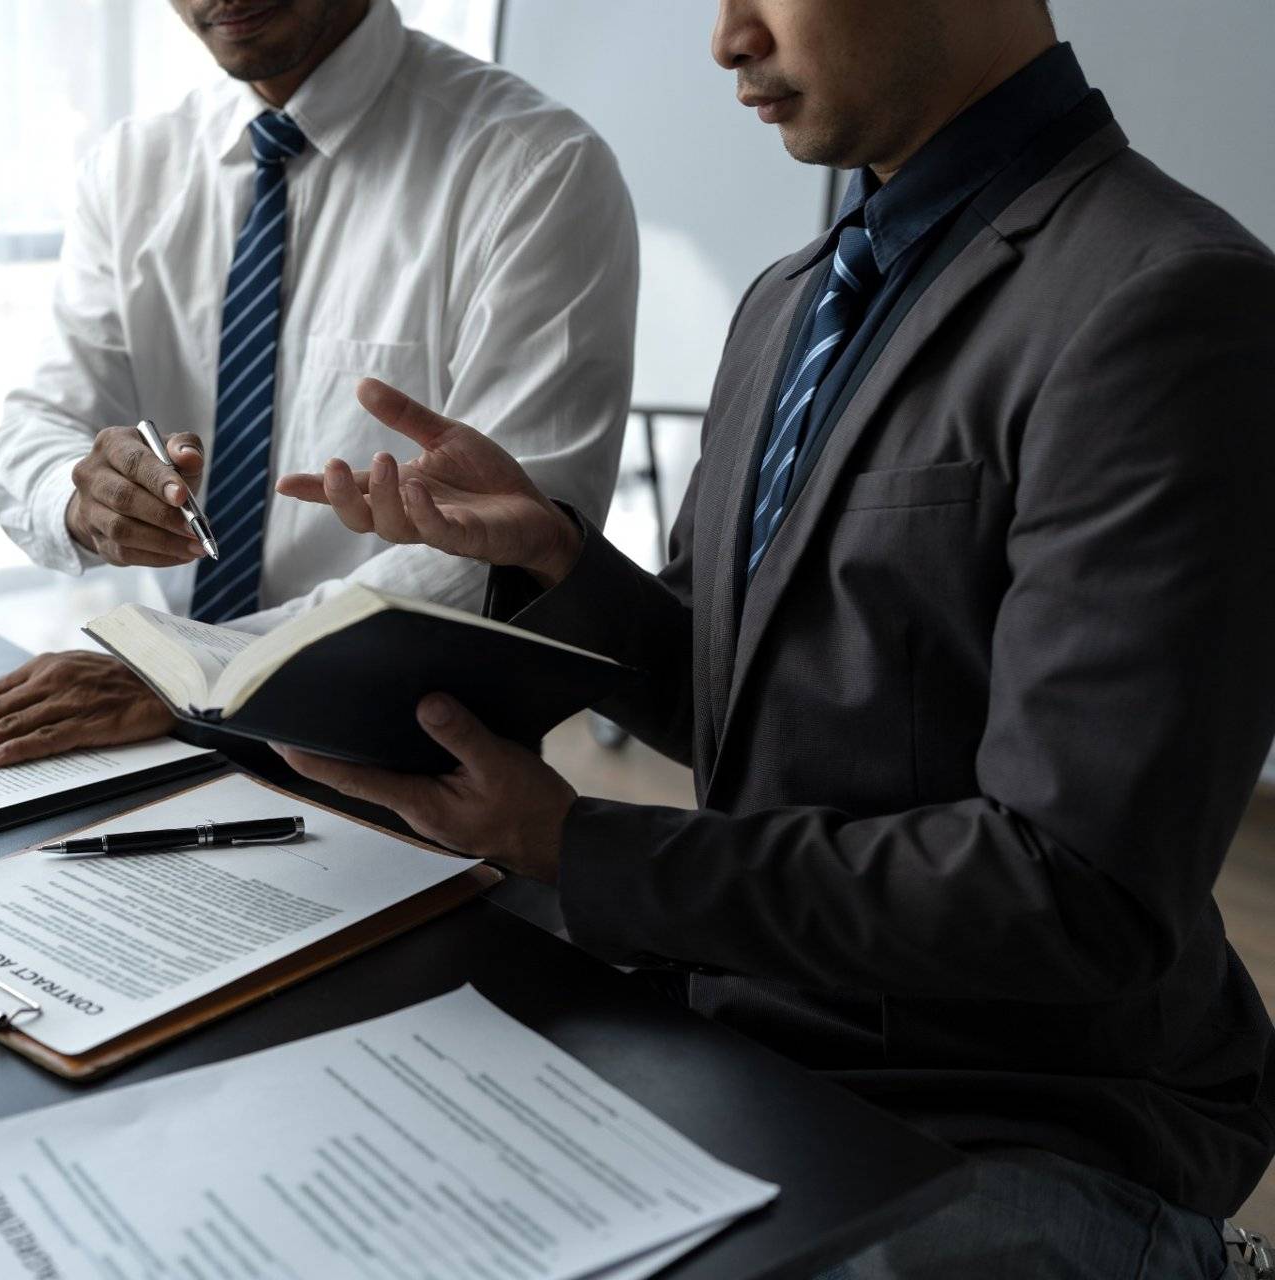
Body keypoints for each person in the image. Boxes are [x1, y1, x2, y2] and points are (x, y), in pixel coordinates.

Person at [271, 0, 1275, 1275]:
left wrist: (580, 846)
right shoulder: (793, 299)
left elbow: (1075, 894)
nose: (727, 39)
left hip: (1013, 1109)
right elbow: (737, 693)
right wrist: (555, 557)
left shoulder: (1170, 299)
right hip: (743, 1018)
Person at [0, 0, 636, 769]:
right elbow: (39, 424)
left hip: (409, 756)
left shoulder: (534, 166)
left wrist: (191, 670)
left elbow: (511, 542)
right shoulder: (132, 167)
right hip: (146, 737)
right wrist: (83, 496)